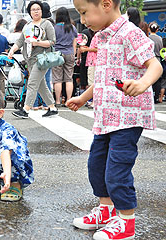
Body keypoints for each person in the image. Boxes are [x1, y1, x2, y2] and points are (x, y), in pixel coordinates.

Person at [69, 0, 163, 239]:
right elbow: (104, 77)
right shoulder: (102, 37)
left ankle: (126, 222)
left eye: (84, 12)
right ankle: (106, 211)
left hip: (127, 116)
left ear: (106, 4)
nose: (82, 19)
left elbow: (156, 65)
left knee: (117, 171)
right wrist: (83, 97)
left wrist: (142, 83)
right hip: (105, 116)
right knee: (96, 166)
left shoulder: (130, 32)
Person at [8, 1, 58, 119]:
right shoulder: (27, 26)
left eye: (38, 9)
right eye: (33, 9)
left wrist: (37, 43)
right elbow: (20, 41)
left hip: (42, 59)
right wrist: (12, 50)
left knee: (32, 83)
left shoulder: (47, 24)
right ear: (30, 12)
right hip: (29, 59)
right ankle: (52, 108)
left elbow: (52, 41)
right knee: (41, 85)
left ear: (41, 11)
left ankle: (25, 109)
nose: (36, 11)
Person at [52, 7, 78, 107]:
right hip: (69, 53)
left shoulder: (54, 28)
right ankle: (68, 101)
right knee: (69, 78)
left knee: (57, 79)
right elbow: (74, 43)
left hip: (57, 54)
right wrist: (74, 54)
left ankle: (57, 101)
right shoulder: (72, 27)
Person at [148, 22, 163, 104]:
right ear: (157, 30)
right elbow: (161, 50)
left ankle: (150, 96)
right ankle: (156, 96)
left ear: (149, 29)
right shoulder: (160, 39)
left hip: (150, 59)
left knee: (149, 77)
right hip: (158, 59)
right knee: (157, 79)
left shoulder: (148, 38)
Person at [0, 14, 9, 95]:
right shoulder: (4, 37)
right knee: (1, 78)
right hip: (2, 60)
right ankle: (2, 94)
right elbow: (6, 50)